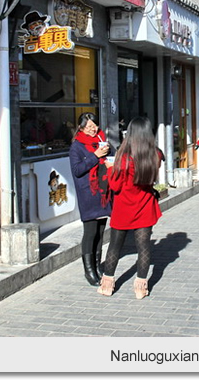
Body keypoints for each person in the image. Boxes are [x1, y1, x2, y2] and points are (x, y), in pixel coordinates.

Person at [98, 117, 163, 299]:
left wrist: (110, 168)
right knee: (144, 247)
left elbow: (115, 186)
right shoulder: (155, 155)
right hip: (144, 206)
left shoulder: (124, 158)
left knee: (114, 247)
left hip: (123, 208)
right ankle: (141, 288)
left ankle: (107, 285)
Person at [69, 112, 113, 286]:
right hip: (88, 193)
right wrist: (95, 155)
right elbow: (77, 170)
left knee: (101, 232)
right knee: (90, 232)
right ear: (81, 128)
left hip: (103, 192)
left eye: (94, 125)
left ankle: (97, 266)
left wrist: (109, 155)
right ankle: (89, 272)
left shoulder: (102, 139)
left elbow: (111, 157)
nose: (93, 129)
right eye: (89, 126)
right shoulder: (76, 147)